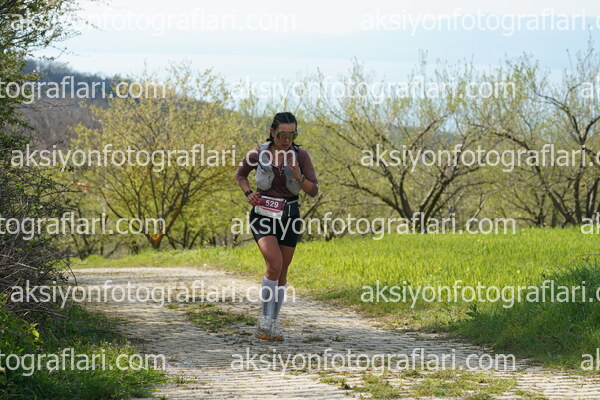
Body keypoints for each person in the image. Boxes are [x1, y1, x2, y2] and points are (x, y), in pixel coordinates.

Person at [235, 112, 319, 341]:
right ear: (273, 132)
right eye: (283, 135)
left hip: (290, 216)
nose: (287, 140)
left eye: (292, 135)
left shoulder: (301, 156)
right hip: (263, 216)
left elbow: (313, 190)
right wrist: (248, 193)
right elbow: (240, 175)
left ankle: (273, 323)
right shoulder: (257, 153)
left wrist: (299, 176)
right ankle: (263, 320)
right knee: (274, 264)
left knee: (282, 272)